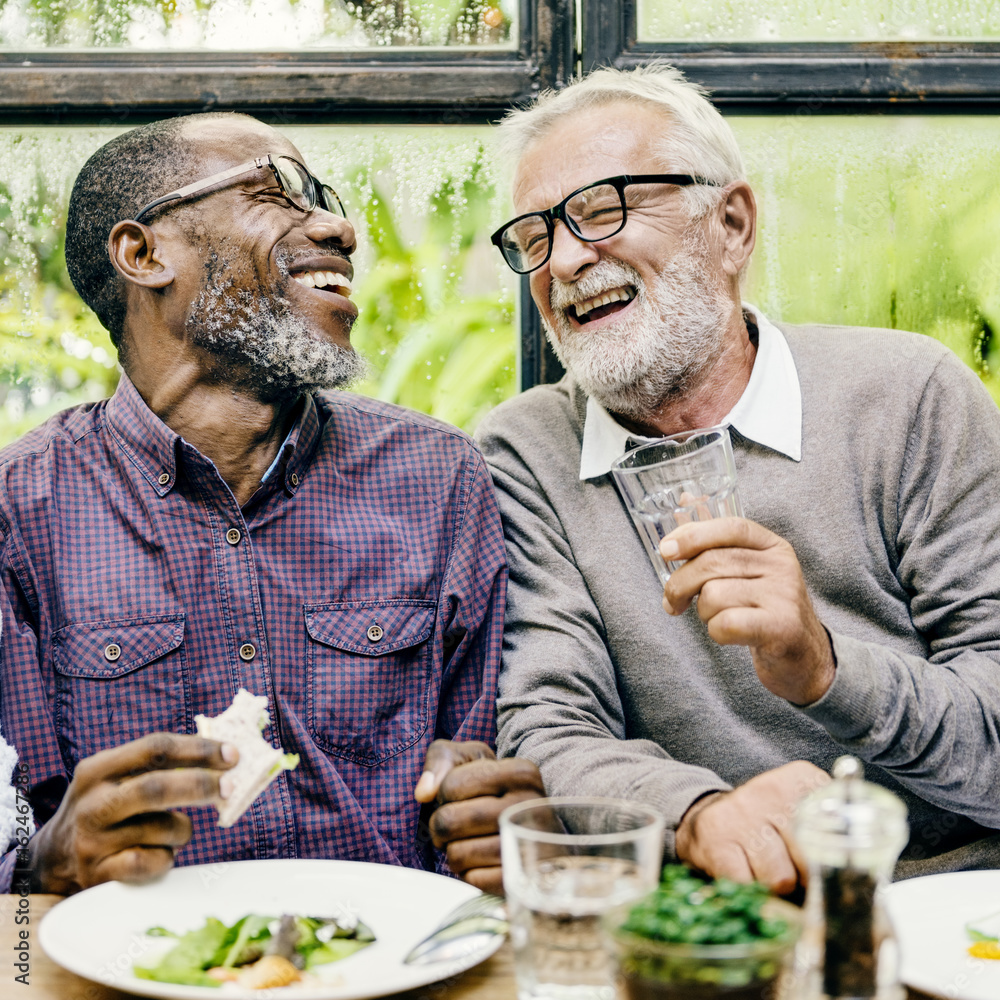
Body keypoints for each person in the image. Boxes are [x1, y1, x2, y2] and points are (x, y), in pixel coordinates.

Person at [476, 63, 1000, 892]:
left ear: (731, 223)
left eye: (603, 208)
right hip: (694, 922)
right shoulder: (524, 450)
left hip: (947, 909)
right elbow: (546, 726)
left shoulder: (910, 397)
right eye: (536, 237)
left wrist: (826, 670)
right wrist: (698, 813)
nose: (567, 260)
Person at [0, 111, 542, 896]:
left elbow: (488, 781)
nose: (341, 229)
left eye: (323, 196)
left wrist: (495, 820)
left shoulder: (438, 476)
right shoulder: (20, 513)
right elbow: (14, 886)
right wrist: (46, 863)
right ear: (144, 253)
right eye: (278, 191)